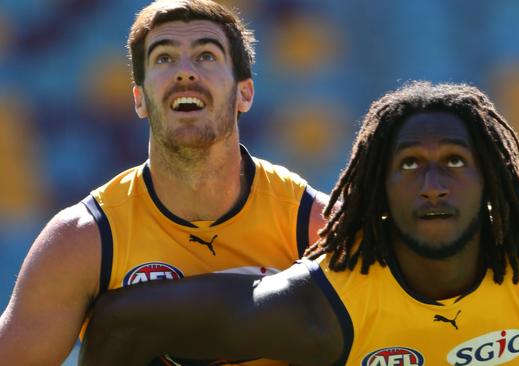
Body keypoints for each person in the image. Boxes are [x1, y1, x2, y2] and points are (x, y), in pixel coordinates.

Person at [80, 81, 519, 365]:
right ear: (377, 191)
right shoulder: (325, 305)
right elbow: (123, 321)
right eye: (409, 164)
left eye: (456, 162)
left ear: (493, 181)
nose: (433, 184)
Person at [0, 1, 328, 365]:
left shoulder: (318, 229)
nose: (185, 72)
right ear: (139, 99)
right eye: (163, 58)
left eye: (206, 56)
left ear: (244, 93)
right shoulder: (82, 240)